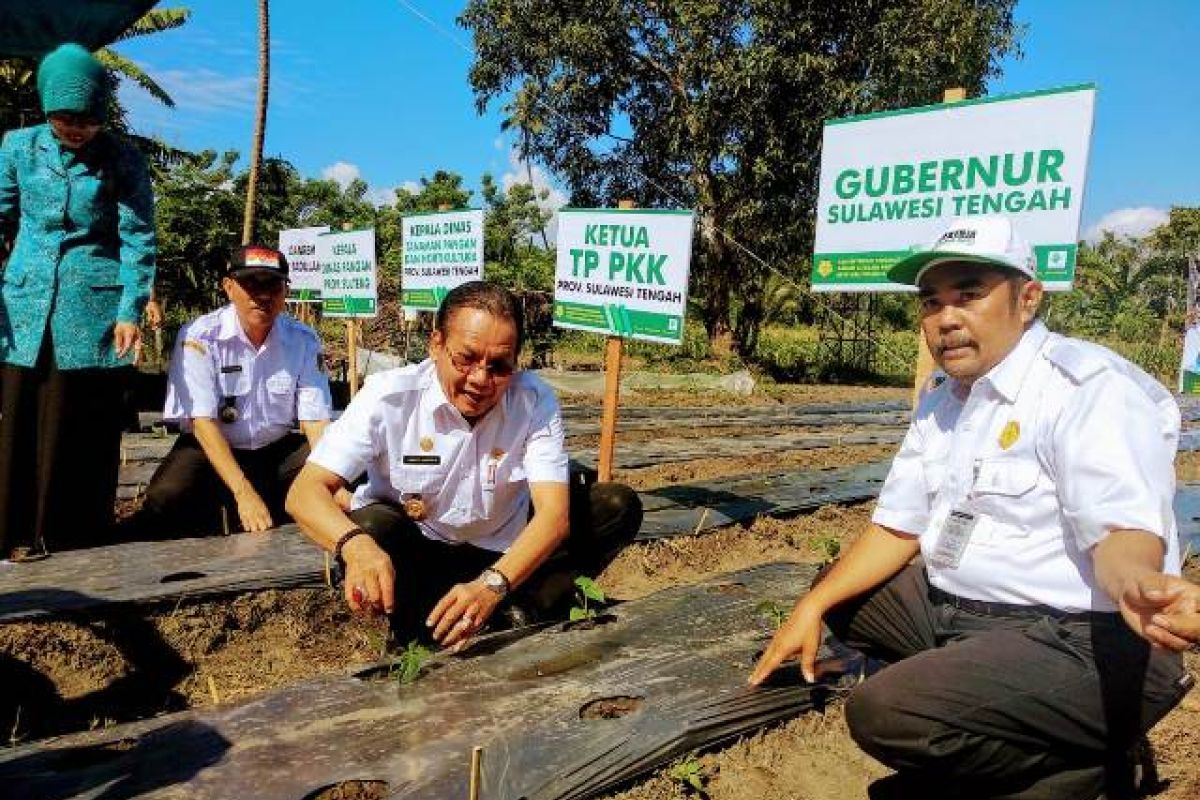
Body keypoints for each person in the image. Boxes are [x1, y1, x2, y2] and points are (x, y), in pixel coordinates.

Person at [750, 216, 1193, 800]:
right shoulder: (943, 397)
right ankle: (1021, 720)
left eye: (969, 295)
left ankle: (1085, 770)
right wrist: (812, 605)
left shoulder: (1087, 388)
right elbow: (897, 526)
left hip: (1084, 638)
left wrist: (1137, 581)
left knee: (883, 711)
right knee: (840, 589)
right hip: (964, 614)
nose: (946, 318)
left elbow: (1120, 530)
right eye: (931, 302)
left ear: (1027, 299)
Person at [286, 281, 643, 647]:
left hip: (504, 554)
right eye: (466, 358)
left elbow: (553, 515)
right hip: (419, 550)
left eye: (499, 366)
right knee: (371, 526)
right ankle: (413, 625)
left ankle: (522, 610)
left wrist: (492, 584)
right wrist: (354, 545)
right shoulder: (387, 397)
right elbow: (304, 492)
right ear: (436, 345)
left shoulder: (534, 401)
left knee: (614, 506)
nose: (480, 379)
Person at [0, 43, 156, 558]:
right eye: (65, 118)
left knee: (76, 418)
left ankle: (70, 537)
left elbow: (137, 238)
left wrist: (129, 309)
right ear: (47, 109)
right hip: (23, 303)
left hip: (91, 304)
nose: (75, 129)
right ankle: (12, 533)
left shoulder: (123, 158)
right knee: (17, 412)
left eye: (87, 120)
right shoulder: (17, 148)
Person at [123, 245, 332, 538]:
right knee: (165, 499)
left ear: (285, 290)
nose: (263, 295)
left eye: (273, 284)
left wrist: (329, 481)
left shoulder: (303, 339)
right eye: (251, 284)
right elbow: (202, 423)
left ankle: (272, 500)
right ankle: (240, 504)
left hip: (275, 450)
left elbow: (316, 421)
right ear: (229, 287)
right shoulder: (200, 336)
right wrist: (243, 491)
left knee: (347, 467)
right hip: (213, 448)